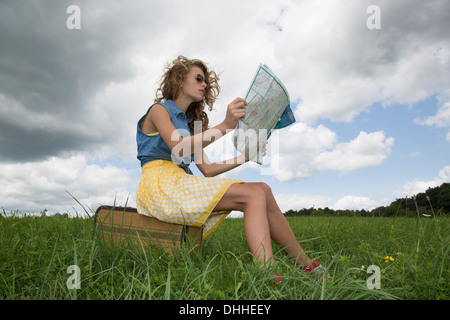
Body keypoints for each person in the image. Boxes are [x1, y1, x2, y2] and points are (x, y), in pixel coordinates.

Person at [136, 55, 323, 275]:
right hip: (158, 184)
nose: (204, 84)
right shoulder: (159, 110)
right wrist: (226, 125)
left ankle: (306, 265)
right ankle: (269, 275)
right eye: (198, 78)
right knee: (253, 195)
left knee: (262, 189)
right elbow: (179, 148)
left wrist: (245, 156)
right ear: (178, 79)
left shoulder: (190, 124)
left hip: (179, 181)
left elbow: (207, 169)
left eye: (206, 81)